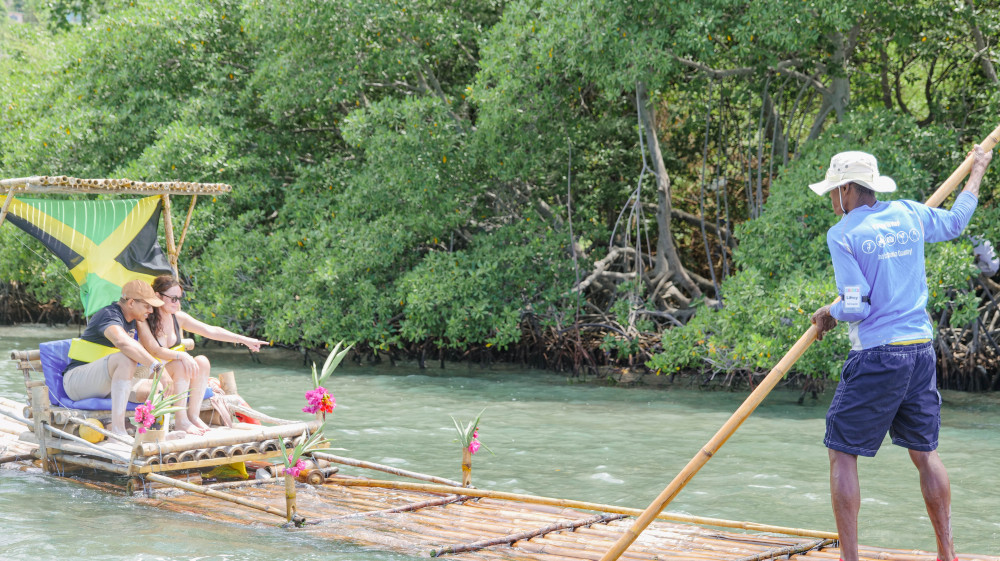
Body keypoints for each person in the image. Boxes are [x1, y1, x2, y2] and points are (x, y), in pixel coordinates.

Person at [809, 146, 992, 561]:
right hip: (920, 351)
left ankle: (849, 558)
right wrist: (977, 170)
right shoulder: (909, 212)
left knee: (841, 451)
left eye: (835, 192)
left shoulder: (843, 234)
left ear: (849, 190)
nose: (832, 201)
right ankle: (948, 554)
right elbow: (958, 222)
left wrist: (829, 311)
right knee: (925, 453)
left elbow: (857, 305)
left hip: (878, 355)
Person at [137, 275, 269, 435]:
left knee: (202, 361)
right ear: (158, 296)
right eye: (173, 299)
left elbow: (211, 330)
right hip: (153, 375)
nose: (177, 303)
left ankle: (192, 416)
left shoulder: (178, 318)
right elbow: (154, 350)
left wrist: (244, 340)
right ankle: (181, 421)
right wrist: (182, 356)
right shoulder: (144, 318)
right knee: (182, 363)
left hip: (176, 372)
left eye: (179, 298)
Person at [63, 279, 169, 439]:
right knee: (126, 359)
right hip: (76, 382)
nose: (151, 311)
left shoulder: (133, 320)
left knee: (155, 387)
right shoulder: (108, 315)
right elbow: (122, 342)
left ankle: (153, 431)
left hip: (105, 385)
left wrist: (160, 371)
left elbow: (153, 348)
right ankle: (118, 430)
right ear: (131, 302)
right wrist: (156, 366)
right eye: (147, 306)